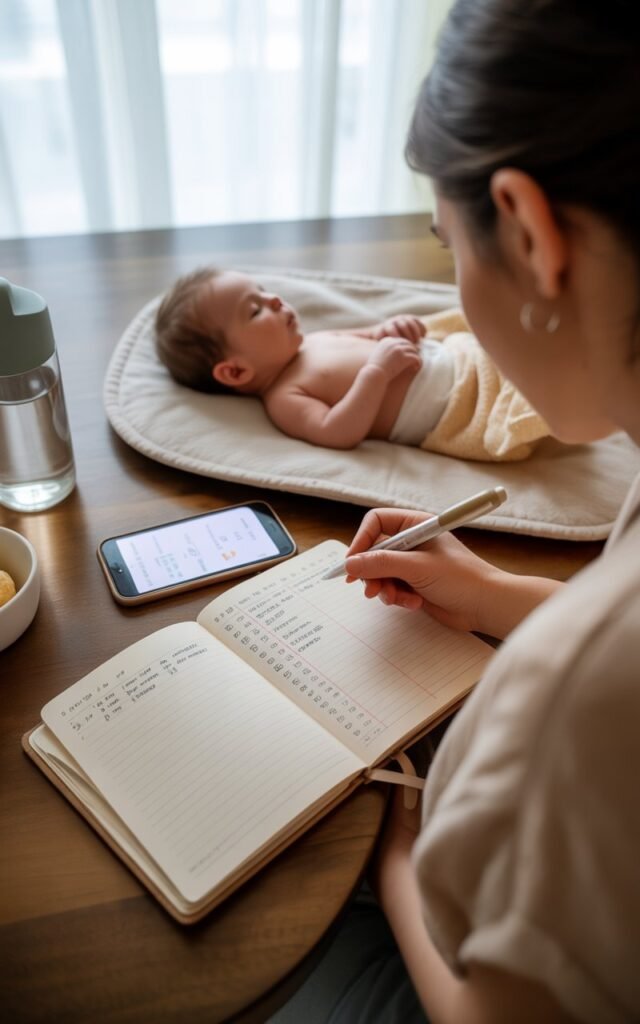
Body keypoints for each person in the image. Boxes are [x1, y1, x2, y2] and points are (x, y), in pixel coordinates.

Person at [271, 1, 640, 1022]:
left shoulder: (579, 688)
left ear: (525, 230)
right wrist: (486, 591)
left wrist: (395, 861)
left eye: (447, 246)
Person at [154, 266, 550, 460]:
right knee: (536, 389)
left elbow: (373, 335)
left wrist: (393, 328)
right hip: (455, 406)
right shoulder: (285, 397)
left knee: (499, 334)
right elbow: (337, 432)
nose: (275, 299)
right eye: (255, 309)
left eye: (264, 291)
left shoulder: (313, 341)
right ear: (236, 371)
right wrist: (375, 373)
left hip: (455, 359)